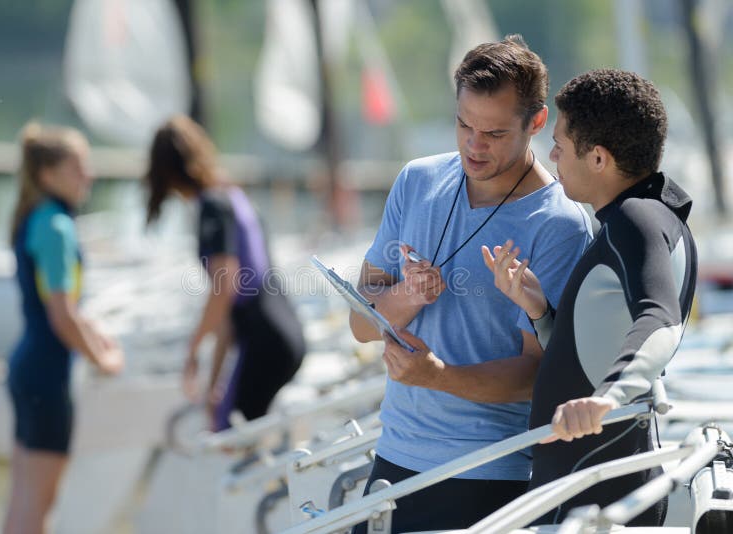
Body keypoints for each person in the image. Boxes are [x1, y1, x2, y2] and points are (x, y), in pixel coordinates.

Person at [350, 35, 593, 532]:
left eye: (495, 133)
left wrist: (437, 376)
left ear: (537, 123)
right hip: (394, 457)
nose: (474, 145)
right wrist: (405, 296)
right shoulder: (416, 181)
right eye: (464, 124)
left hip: (490, 474)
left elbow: (538, 375)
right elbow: (360, 322)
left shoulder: (560, 226)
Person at [482, 69, 697, 525]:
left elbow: (661, 318)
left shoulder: (636, 222)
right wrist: (538, 309)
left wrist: (609, 398)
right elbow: (594, 348)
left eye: (560, 143)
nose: (552, 153)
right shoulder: (651, 217)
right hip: (588, 485)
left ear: (598, 158)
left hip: (591, 498)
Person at [143, 115, 305, 431]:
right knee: (232, 429)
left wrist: (192, 350)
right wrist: (216, 384)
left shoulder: (212, 208)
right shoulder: (233, 197)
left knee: (231, 435)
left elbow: (223, 287)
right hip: (283, 333)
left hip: (265, 340)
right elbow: (229, 315)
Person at [4, 123, 125, 534]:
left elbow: (60, 308)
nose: (87, 176)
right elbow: (61, 315)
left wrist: (91, 333)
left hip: (28, 366)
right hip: (46, 373)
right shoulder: (56, 226)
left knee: (23, 500)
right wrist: (104, 360)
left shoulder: (38, 218)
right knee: (39, 505)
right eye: (77, 167)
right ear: (47, 175)